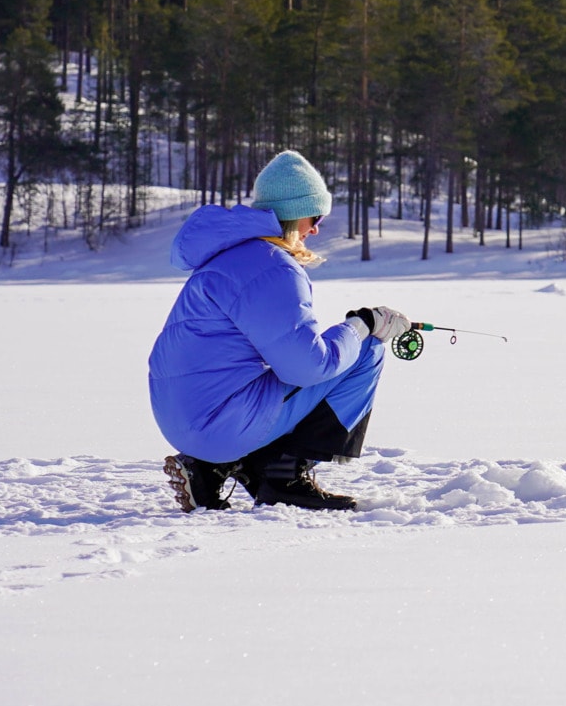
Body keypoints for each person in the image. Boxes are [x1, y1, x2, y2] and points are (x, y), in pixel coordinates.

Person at [149, 150, 410, 512]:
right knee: (367, 351)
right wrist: (363, 325)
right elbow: (308, 368)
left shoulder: (230, 256)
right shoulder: (270, 267)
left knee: (286, 368)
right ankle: (282, 475)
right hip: (215, 425)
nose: (316, 229)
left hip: (183, 418)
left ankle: (213, 467)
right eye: (314, 216)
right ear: (293, 215)